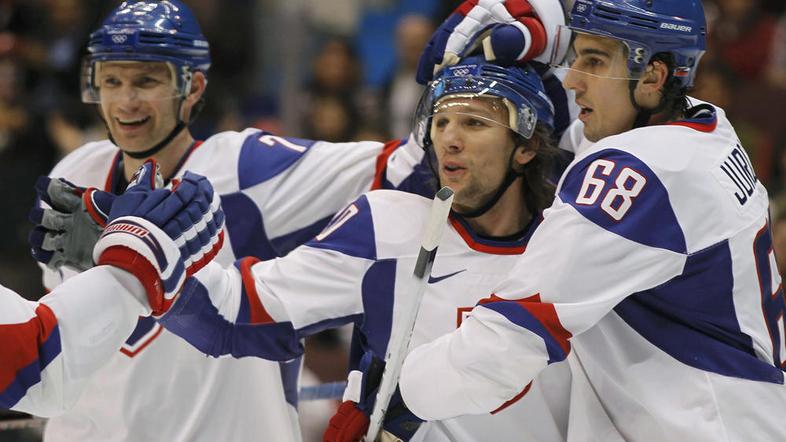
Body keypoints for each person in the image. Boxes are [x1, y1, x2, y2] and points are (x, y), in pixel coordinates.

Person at [30, 1, 568, 440]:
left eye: (146, 81)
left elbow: (405, 168)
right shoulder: (75, 171)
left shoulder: (250, 166)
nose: (125, 101)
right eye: (112, 81)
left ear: (192, 88)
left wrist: (522, 55)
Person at [395, 1, 786, 440]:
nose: (573, 79)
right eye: (574, 56)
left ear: (654, 76)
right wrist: (542, 47)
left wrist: (403, 392)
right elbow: (585, 135)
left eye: (594, 61)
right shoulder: (705, 128)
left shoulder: (640, 174)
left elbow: (515, 333)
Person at [2, 161, 223, 418]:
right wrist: (131, 262)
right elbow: (38, 367)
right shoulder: (79, 163)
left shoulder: (244, 161)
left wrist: (117, 263)